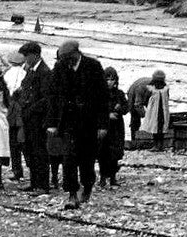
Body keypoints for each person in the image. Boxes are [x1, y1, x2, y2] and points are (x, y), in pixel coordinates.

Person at [51, 41, 108, 210]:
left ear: (76, 54)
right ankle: (71, 194)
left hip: (89, 122)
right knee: (68, 158)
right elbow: (53, 96)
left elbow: (103, 97)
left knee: (87, 159)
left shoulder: (93, 66)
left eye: (68, 58)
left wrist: (103, 125)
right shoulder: (60, 67)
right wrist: (52, 123)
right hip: (69, 121)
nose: (66, 62)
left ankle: (88, 186)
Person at [17, 42, 53, 194]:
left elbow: (46, 98)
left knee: (39, 152)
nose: (25, 59)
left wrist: (31, 108)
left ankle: (43, 185)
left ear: (35, 55)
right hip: (29, 118)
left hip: (38, 119)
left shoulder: (44, 72)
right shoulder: (31, 71)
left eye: (26, 56)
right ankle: (34, 182)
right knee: (30, 150)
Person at [100, 67, 130, 187]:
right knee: (102, 152)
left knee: (115, 153)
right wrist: (108, 115)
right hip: (104, 127)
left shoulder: (120, 94)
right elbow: (95, 110)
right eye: (107, 79)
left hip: (117, 128)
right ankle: (102, 177)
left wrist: (120, 109)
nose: (110, 82)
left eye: (112, 80)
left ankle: (113, 177)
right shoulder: (100, 94)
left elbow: (127, 108)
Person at [3, 52, 27, 181]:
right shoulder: (25, 73)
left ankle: (17, 170)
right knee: (22, 143)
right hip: (21, 112)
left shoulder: (7, 74)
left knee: (13, 145)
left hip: (11, 112)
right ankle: (24, 168)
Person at [127, 70, 168, 143]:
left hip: (150, 99)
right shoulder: (141, 88)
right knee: (135, 118)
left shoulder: (164, 88)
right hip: (133, 94)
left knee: (157, 120)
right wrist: (147, 116)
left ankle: (156, 141)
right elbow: (137, 105)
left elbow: (165, 102)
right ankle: (134, 139)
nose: (159, 85)